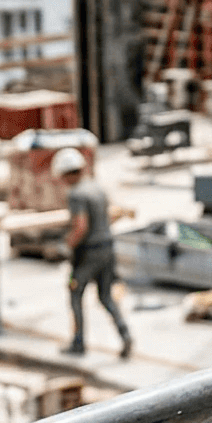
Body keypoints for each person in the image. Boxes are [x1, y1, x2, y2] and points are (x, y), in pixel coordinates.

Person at [55, 147, 131, 360]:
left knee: (75, 293)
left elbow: (81, 227)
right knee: (106, 296)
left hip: (88, 253)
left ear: (68, 174)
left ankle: (78, 342)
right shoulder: (97, 188)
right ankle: (125, 334)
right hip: (107, 248)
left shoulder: (77, 194)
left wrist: (66, 245)